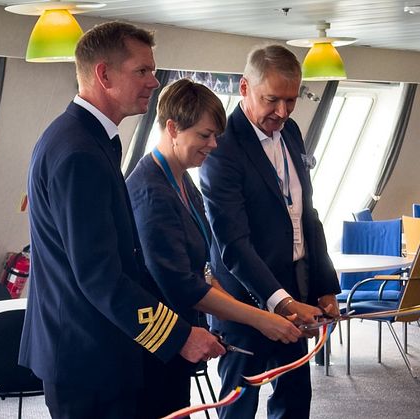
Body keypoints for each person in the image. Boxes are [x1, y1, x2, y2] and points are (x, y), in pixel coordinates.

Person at [18, 22, 225, 419]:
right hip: (86, 353)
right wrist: (178, 336)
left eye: (153, 70)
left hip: (92, 346)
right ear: (104, 74)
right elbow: (100, 275)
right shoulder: (79, 151)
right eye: (142, 71)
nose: (154, 81)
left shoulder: (85, 138)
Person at [126, 78, 303, 419]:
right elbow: (182, 285)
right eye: (204, 136)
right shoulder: (151, 192)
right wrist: (261, 319)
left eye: (216, 136)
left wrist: (250, 315)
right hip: (152, 344)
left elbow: (201, 270)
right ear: (173, 128)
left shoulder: (181, 179)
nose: (213, 145)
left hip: (177, 336)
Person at [199, 44, 341, 419]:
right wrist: (281, 302)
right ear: (244, 88)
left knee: (294, 400)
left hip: (296, 289)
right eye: (272, 99)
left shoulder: (291, 131)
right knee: (239, 405)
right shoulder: (220, 146)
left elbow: (306, 215)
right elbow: (232, 243)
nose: (282, 112)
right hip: (244, 298)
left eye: (291, 101)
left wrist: (323, 286)